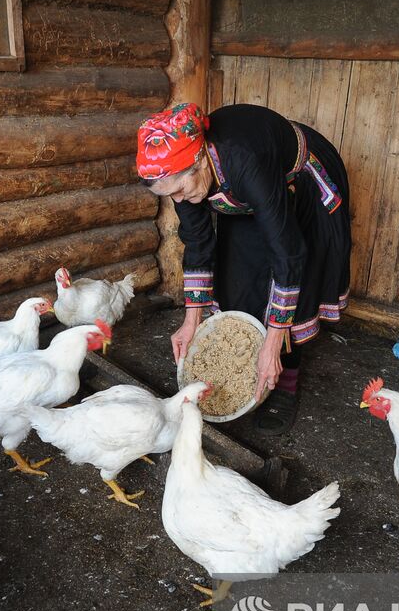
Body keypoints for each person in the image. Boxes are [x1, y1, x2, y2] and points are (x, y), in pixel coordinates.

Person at [136, 102, 352, 435]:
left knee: (297, 281)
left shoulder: (245, 159)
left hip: (300, 182)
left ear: (199, 162)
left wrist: (273, 344)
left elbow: (288, 253)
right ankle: (252, 362)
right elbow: (198, 242)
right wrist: (191, 321)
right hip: (247, 191)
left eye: (179, 190)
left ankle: (285, 379)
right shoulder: (182, 180)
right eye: (169, 196)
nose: (177, 200)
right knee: (239, 279)